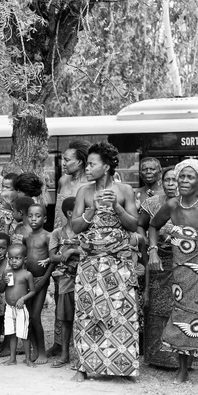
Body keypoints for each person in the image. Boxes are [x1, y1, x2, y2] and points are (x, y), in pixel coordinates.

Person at [71, 141, 139, 382]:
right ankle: (83, 367)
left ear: (107, 166)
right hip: (90, 264)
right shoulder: (84, 191)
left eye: (91, 164)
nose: (87, 168)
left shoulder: (125, 190)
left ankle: (125, 367)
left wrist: (116, 207)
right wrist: (91, 211)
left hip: (119, 263)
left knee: (121, 313)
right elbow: (75, 227)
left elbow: (134, 225)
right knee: (87, 312)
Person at [149, 159, 198, 383]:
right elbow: (152, 225)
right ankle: (183, 370)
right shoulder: (172, 205)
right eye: (182, 176)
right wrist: (153, 251)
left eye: (191, 177)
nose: (184, 181)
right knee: (181, 314)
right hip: (180, 272)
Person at [49, 140, 89, 358]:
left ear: (81, 162)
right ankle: (59, 342)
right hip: (61, 243)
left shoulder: (91, 184)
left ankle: (82, 341)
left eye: (67, 160)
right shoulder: (63, 180)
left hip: (82, 244)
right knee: (60, 292)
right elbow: (58, 214)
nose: (62, 163)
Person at [138, 166, 179, 367]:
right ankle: (156, 355)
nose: (171, 184)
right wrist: (145, 244)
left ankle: (179, 356)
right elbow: (141, 224)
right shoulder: (152, 202)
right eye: (168, 180)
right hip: (156, 261)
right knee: (155, 306)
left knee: (179, 307)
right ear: (161, 182)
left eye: (175, 180)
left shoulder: (189, 204)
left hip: (181, 262)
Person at [48, 197, 80, 368]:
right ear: (69, 213)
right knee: (66, 319)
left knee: (83, 318)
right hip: (65, 280)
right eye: (81, 208)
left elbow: (92, 252)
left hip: (84, 279)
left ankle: (82, 356)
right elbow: (52, 256)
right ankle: (65, 354)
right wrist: (66, 256)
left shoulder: (86, 231)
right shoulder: (57, 233)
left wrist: (72, 251)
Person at [22, 204, 53, 364]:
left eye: (38, 216)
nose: (34, 219)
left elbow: (52, 261)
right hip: (28, 281)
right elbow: (23, 258)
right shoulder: (26, 237)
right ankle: (34, 349)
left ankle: (42, 352)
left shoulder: (48, 236)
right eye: (31, 215)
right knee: (28, 316)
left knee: (35, 316)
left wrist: (45, 280)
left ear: (45, 218)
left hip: (41, 281)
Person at [0, 243, 36, 367]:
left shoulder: (27, 274)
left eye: (17, 258)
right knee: (11, 333)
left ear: (24, 259)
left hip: (21, 308)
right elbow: (1, 290)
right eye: (10, 258)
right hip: (9, 308)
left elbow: (33, 291)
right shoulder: (6, 273)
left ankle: (28, 359)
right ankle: (12, 358)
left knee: (24, 333)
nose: (13, 261)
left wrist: (23, 299)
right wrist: (4, 282)